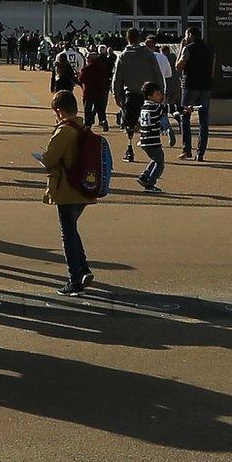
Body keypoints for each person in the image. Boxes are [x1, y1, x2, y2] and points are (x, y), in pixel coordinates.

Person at [42, 90, 98, 293]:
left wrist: (44, 157)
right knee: (72, 229)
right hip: (83, 185)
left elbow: (50, 159)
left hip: (66, 186)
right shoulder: (83, 127)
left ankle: (74, 278)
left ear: (59, 111)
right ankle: (83, 268)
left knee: (67, 233)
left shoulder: (64, 130)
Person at [111, 30, 163, 163]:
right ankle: (153, 150)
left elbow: (117, 79)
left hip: (131, 94)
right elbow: (158, 74)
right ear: (139, 38)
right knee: (151, 121)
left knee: (129, 123)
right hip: (148, 94)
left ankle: (129, 148)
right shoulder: (149, 54)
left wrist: (116, 95)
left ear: (126, 39)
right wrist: (161, 91)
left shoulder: (123, 56)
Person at [177, 26, 215, 161]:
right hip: (205, 87)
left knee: (185, 117)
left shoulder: (188, 48)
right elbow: (212, 70)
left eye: (186, 35)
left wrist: (182, 48)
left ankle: (186, 149)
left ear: (190, 35)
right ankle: (200, 152)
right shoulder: (210, 49)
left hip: (190, 86)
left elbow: (178, 66)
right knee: (204, 121)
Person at [136, 80, 169, 191]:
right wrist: (183, 109)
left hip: (144, 140)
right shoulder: (155, 107)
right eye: (157, 94)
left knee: (155, 159)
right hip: (152, 140)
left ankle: (144, 176)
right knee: (160, 163)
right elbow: (168, 108)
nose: (160, 97)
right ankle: (150, 184)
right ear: (150, 96)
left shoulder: (144, 108)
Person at [78, 46, 113, 131]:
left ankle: (87, 124)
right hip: (99, 91)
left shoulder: (86, 69)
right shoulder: (102, 68)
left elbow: (81, 79)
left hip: (88, 92)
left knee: (88, 109)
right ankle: (103, 121)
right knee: (100, 108)